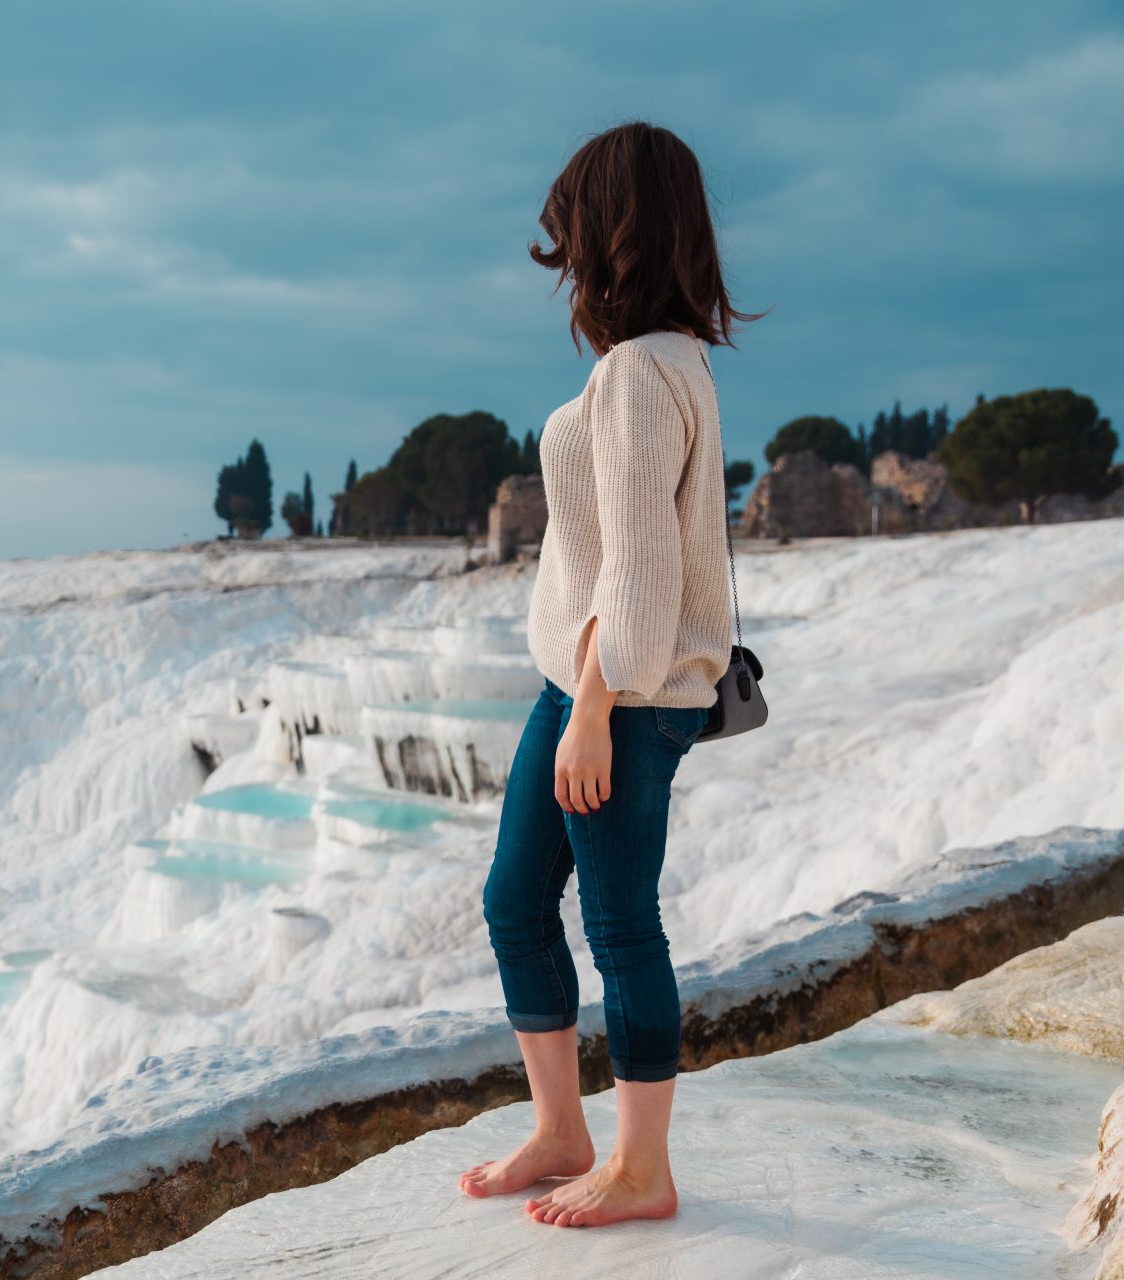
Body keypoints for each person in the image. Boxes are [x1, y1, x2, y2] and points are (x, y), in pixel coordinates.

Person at [458, 120, 768, 1228]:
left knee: (622, 922)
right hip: (587, 681)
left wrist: (596, 703)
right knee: (513, 900)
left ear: (616, 232)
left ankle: (643, 1165)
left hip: (621, 695)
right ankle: (561, 1126)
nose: (568, 259)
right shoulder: (662, 360)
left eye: (576, 233)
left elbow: (640, 561)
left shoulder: (642, 372)